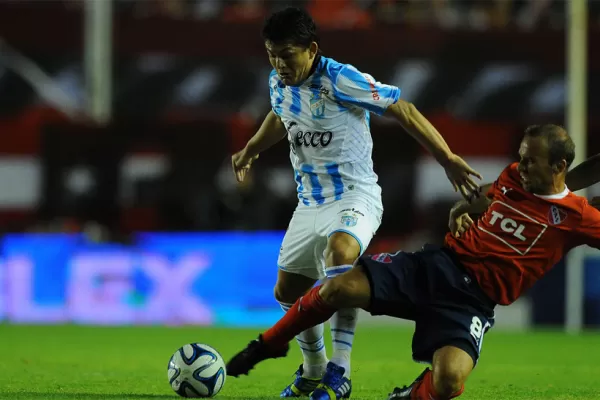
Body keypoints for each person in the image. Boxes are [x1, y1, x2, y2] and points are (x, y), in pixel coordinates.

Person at [226, 124, 600, 400]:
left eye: (530, 160)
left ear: (558, 166)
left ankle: (407, 396)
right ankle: (267, 344)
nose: (520, 165)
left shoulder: (578, 218)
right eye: (520, 156)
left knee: (450, 381)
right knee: (337, 286)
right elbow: (487, 196)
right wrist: (459, 209)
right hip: (437, 267)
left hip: (471, 303)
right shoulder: (514, 177)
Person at [230, 7, 482, 399]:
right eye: (272, 55)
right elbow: (281, 117)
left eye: (287, 55)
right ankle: (313, 370)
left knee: (340, 254)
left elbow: (404, 109)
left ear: (311, 49)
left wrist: (447, 157)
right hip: (309, 203)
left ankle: (340, 370)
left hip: (355, 195)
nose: (279, 64)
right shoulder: (278, 81)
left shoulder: (341, 78)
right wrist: (250, 148)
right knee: (288, 292)